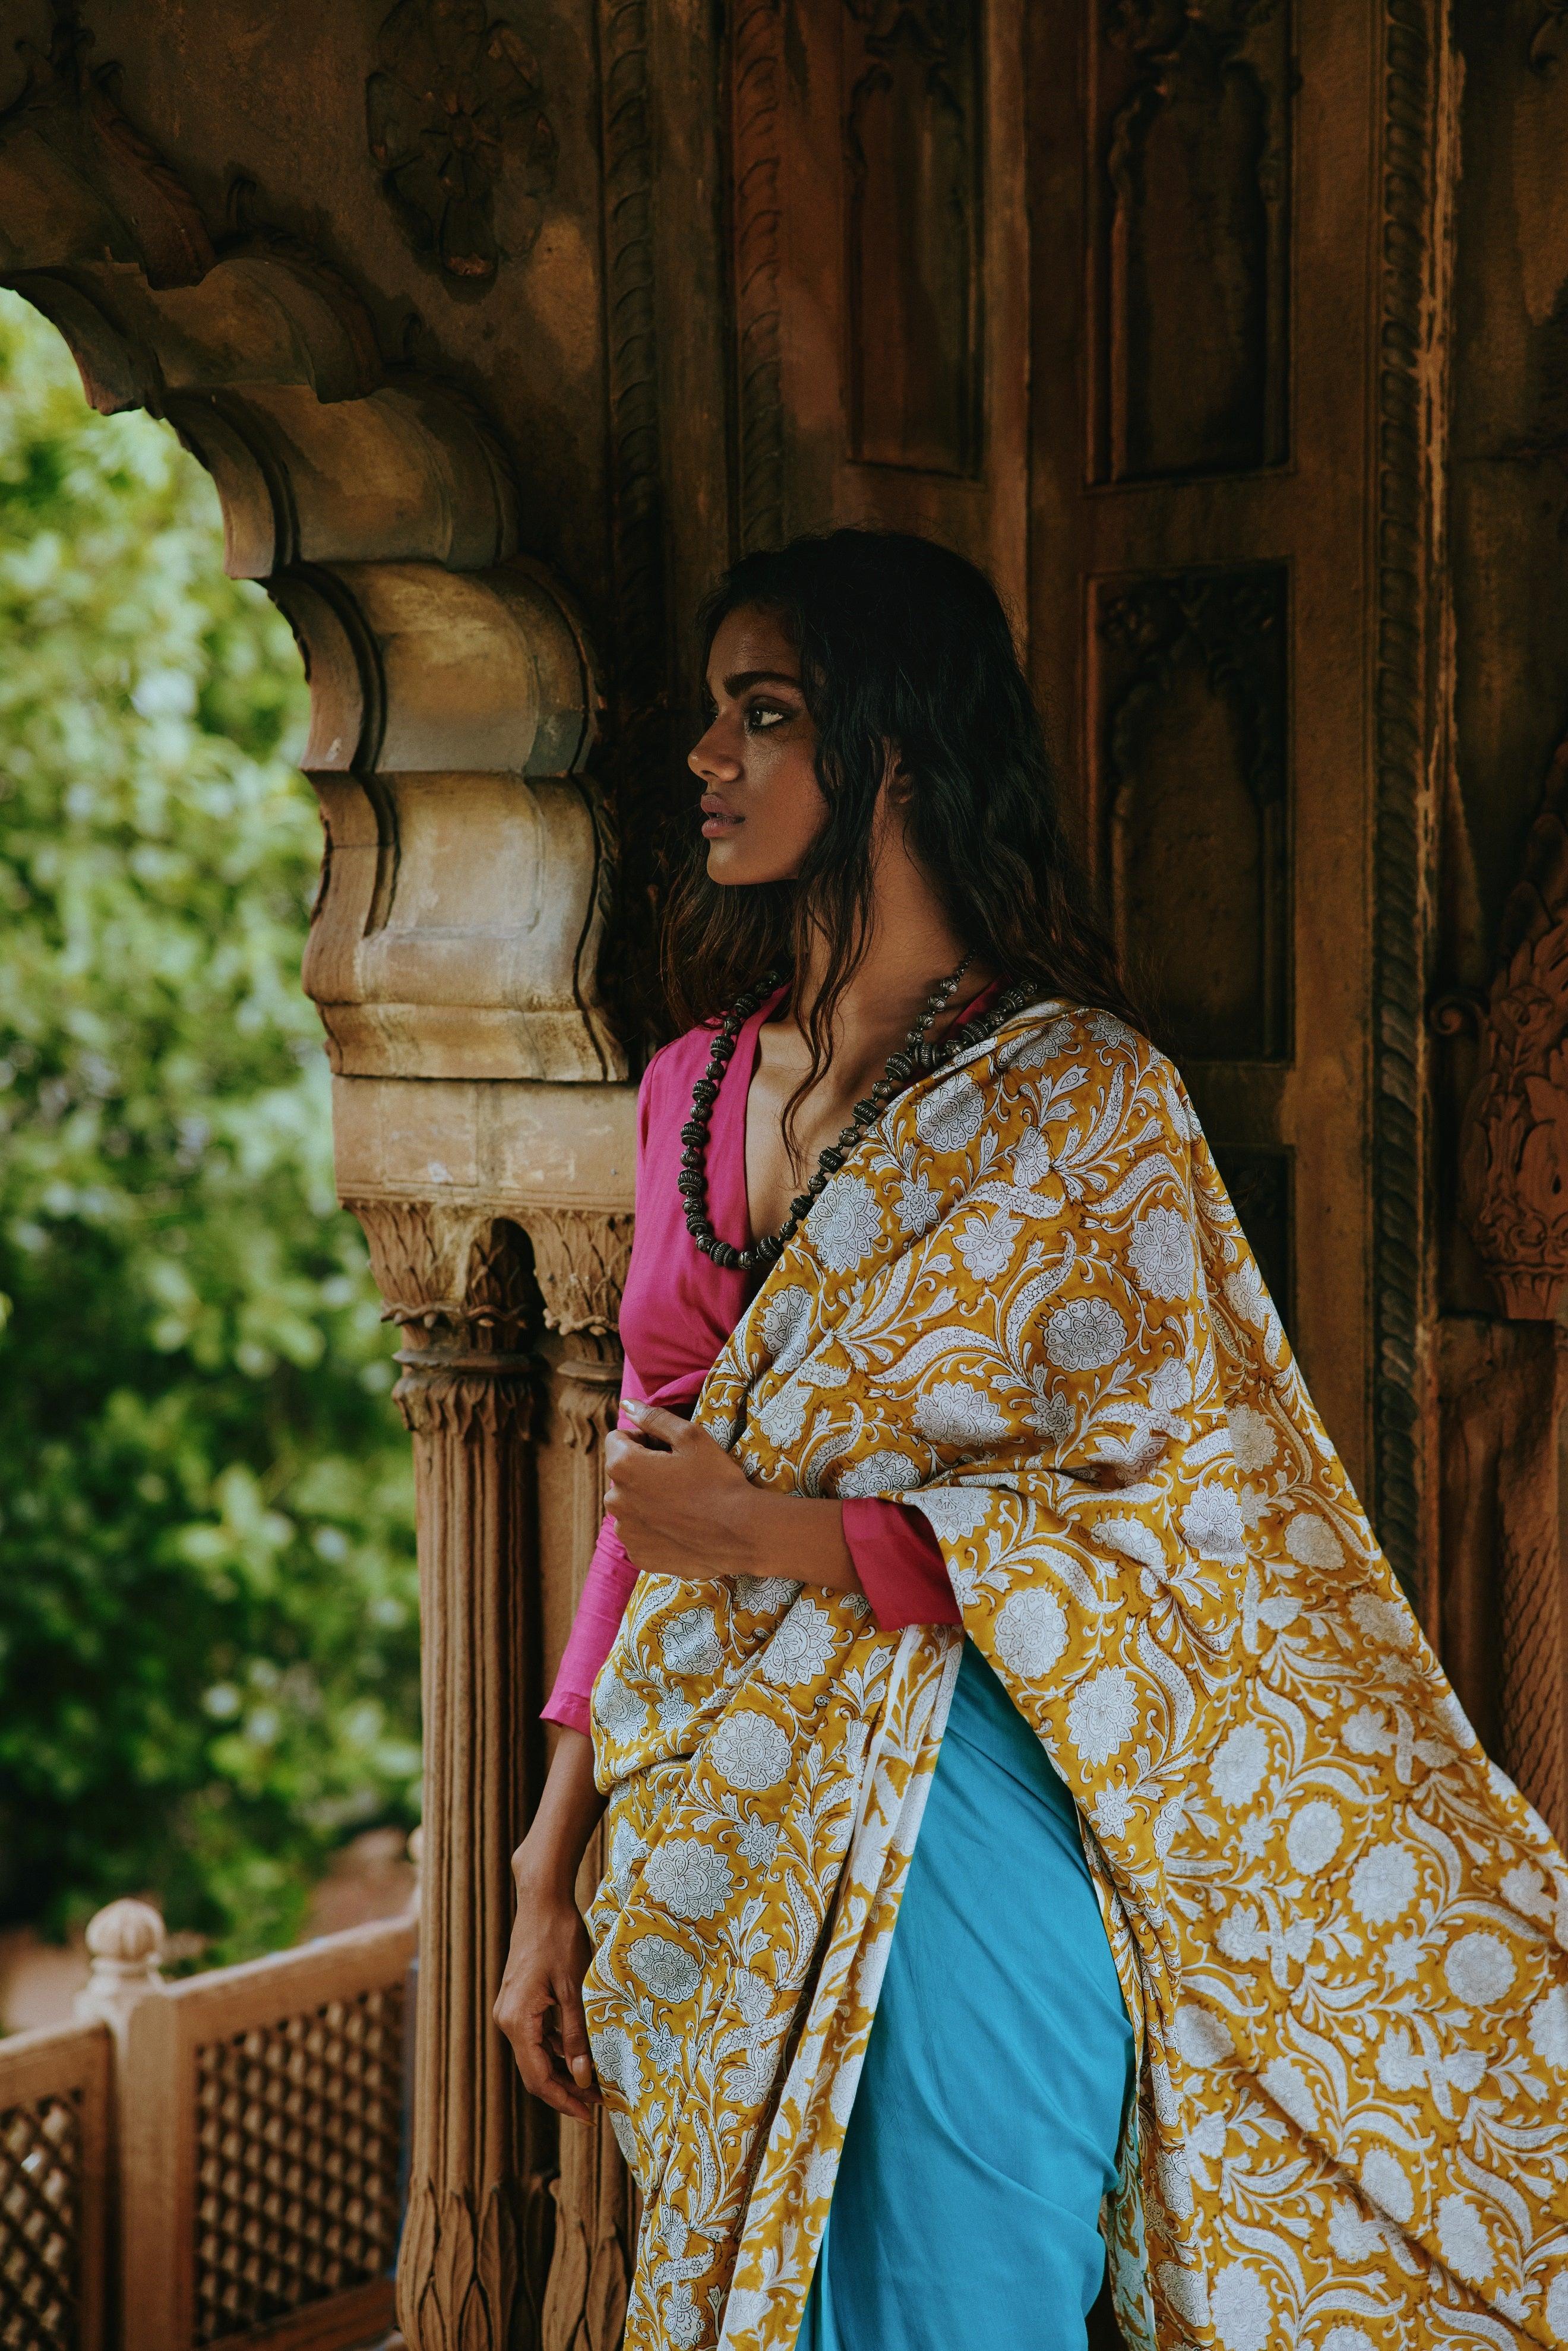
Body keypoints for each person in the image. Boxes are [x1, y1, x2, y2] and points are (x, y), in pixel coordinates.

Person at [496, 529, 1568, 2351]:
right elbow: (640, 1503)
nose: (706, 761)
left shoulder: (1081, 1102)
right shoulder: (691, 1086)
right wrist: (545, 1858)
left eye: (764, 717)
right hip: (705, 1851)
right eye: (713, 718)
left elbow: (1179, 1516)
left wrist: (777, 1537)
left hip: (968, 1826)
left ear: (897, 754)